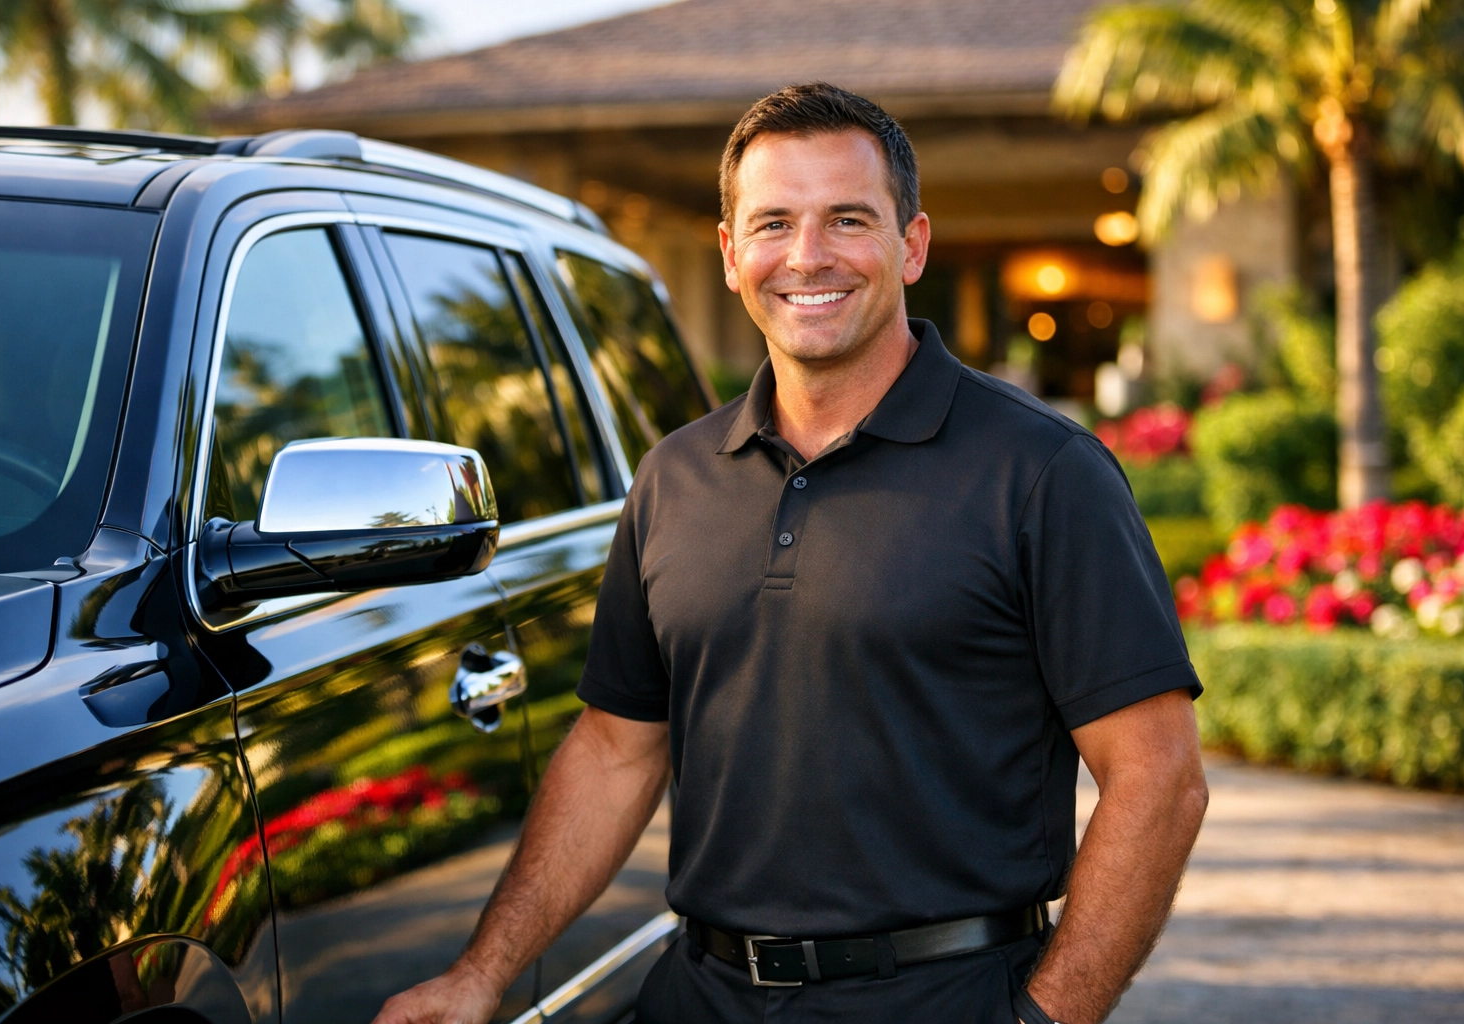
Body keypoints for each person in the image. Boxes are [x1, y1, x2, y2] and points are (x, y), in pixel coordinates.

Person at [373, 82, 1209, 1024]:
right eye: (773, 223)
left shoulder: (1044, 472)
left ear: (913, 244)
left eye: (848, 219)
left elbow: (1158, 777)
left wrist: (1047, 1018)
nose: (807, 256)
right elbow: (614, 751)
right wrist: (482, 972)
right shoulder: (674, 479)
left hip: (942, 997)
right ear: (731, 255)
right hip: (697, 996)